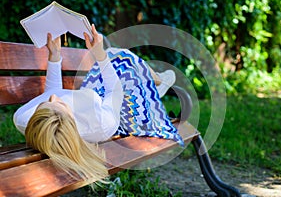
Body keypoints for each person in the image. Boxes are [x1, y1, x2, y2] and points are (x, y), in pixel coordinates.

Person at [13, 24, 182, 183]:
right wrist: (99, 53)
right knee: (122, 57)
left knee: (114, 58)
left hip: (90, 99)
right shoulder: (101, 124)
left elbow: (53, 93)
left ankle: (149, 83)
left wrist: (55, 56)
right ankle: (157, 83)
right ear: (72, 121)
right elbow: (114, 91)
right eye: (62, 105)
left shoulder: (26, 119)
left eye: (46, 104)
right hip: (120, 106)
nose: (55, 98)